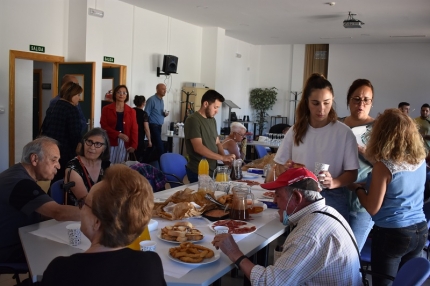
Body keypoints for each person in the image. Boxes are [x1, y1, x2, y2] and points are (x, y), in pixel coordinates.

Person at [212, 167, 361, 285]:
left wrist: (235, 253)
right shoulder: (326, 212)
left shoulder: (309, 233)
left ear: (297, 197)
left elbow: (268, 283)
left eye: (278, 196)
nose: (275, 201)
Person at [41, 164, 166, 286]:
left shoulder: (61, 271)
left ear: (97, 222)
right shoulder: (150, 263)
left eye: (84, 203)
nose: (81, 209)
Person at [351, 108, 427, 286]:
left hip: (393, 233)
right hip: (420, 230)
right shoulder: (420, 159)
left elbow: (372, 207)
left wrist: (356, 189)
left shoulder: (383, 167)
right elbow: (399, 187)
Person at [274, 73, 359, 221]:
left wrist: (334, 182)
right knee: (299, 241)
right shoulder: (295, 131)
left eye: (326, 102)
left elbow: (352, 173)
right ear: (307, 102)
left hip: (332, 196)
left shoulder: (344, 133)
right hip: (300, 195)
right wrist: (287, 169)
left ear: (332, 100)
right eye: (315, 103)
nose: (321, 109)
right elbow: (279, 164)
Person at [0, 137, 80, 264]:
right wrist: (99, 214)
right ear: (34, 159)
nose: (58, 166)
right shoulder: (20, 183)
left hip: (17, 237)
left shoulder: (17, 173)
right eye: (54, 160)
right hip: (8, 248)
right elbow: (58, 212)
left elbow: (44, 213)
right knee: (68, 258)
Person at [339, 79, 375, 251]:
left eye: (366, 99)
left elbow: (389, 165)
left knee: (350, 254)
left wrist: (370, 156)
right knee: (332, 252)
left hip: (361, 202)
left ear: (371, 103)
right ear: (348, 101)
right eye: (356, 99)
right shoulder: (336, 125)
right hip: (334, 196)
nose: (361, 104)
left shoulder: (378, 129)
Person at [184, 90, 236, 183]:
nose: (217, 111)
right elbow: (198, 147)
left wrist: (225, 159)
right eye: (215, 107)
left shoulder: (212, 120)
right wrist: (222, 158)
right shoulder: (193, 120)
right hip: (199, 170)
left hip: (212, 169)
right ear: (206, 104)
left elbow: (217, 143)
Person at [41, 81, 83, 183]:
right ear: (71, 94)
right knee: (65, 179)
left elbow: (44, 127)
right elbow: (75, 135)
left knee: (55, 178)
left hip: (51, 149)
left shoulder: (53, 106)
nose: (79, 98)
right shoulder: (71, 109)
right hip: (66, 152)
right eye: (78, 95)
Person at [64, 128, 111, 206]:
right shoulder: (73, 167)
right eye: (89, 142)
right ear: (84, 143)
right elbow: (86, 201)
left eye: (98, 144)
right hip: (78, 214)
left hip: (102, 210)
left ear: (104, 148)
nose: (92, 147)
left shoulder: (106, 165)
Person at [100, 85, 138, 164]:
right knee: (108, 165)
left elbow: (134, 129)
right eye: (119, 92)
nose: (121, 94)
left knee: (121, 166)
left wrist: (134, 145)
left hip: (124, 142)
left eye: (124, 93)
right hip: (109, 140)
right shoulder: (106, 109)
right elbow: (104, 125)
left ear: (126, 95)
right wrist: (118, 134)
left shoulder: (131, 111)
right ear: (115, 94)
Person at [145, 83, 169, 161]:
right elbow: (146, 114)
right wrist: (147, 128)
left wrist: (164, 114)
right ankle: (163, 166)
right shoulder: (151, 100)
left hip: (159, 126)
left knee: (153, 146)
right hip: (153, 125)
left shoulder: (162, 101)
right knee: (160, 147)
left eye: (165, 89)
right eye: (163, 89)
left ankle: (143, 162)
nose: (165, 91)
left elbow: (158, 113)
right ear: (157, 89)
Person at [133, 95, 152, 162]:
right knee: (138, 156)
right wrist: (149, 140)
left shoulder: (131, 111)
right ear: (143, 103)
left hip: (130, 135)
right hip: (139, 136)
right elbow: (146, 128)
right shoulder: (144, 114)